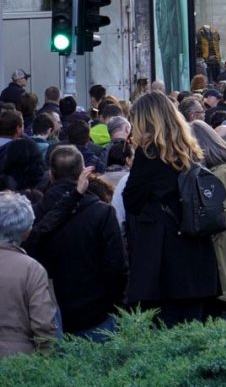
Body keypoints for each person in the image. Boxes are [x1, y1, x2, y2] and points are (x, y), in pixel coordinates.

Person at [122, 92, 219, 325]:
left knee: (166, 331)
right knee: (193, 328)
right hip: (195, 251)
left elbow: (131, 201)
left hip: (163, 257)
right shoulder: (189, 149)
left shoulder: (149, 155)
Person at [23, 146, 126, 340]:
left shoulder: (34, 214)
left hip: (49, 312)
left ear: (51, 174)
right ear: (82, 173)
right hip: (96, 313)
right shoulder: (102, 213)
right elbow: (116, 266)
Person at [189, 121, 226, 322]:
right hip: (223, 247)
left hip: (222, 249)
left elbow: (213, 214)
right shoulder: (223, 169)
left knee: (220, 313)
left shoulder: (222, 172)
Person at [0, 190, 57, 358]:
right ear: (26, 233)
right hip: (19, 361)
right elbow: (43, 324)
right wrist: (45, 360)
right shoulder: (32, 269)